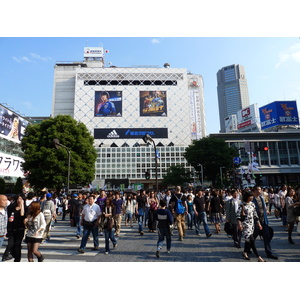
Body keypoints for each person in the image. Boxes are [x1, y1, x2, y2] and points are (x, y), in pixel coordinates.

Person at [237, 190, 265, 262]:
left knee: (248, 240)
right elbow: (238, 216)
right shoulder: (242, 204)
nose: (251, 198)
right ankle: (258, 257)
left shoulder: (252, 204)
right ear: (247, 197)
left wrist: (258, 223)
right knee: (252, 240)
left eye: (252, 196)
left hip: (251, 224)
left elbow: (255, 215)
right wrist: (239, 224)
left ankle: (245, 252)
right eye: (250, 196)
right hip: (245, 225)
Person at [252, 185, 278, 260]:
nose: (260, 191)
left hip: (264, 221)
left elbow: (263, 207)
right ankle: (247, 250)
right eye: (258, 190)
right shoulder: (252, 199)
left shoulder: (262, 198)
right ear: (254, 191)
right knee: (252, 237)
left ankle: (269, 253)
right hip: (255, 222)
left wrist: (266, 211)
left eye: (260, 189)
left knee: (267, 236)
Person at [2, 194, 26, 262]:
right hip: (11, 228)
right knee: (11, 244)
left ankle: (17, 260)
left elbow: (22, 214)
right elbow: (7, 216)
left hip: (20, 228)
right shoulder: (11, 207)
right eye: (18, 199)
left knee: (18, 245)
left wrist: (22, 206)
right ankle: (10, 254)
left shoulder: (26, 208)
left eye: (21, 199)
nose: (19, 200)